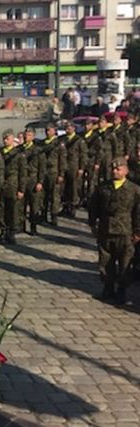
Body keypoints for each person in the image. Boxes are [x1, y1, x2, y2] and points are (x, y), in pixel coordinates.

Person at [89, 157, 140, 306]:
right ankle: (108, 288)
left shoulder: (134, 189)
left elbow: (138, 212)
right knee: (106, 261)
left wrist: (138, 231)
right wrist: (92, 223)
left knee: (124, 262)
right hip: (105, 229)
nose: (115, 171)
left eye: (118, 169)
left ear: (126, 170)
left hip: (125, 231)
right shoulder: (103, 187)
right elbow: (94, 207)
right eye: (113, 168)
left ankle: (122, 291)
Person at [0, 129, 26, 244]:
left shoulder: (18, 154)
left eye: (7, 139)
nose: (5, 141)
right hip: (1, 185)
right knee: (1, 210)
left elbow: (23, 173)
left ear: (12, 139)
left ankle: (12, 232)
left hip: (13, 185)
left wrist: (21, 189)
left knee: (13, 210)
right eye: (4, 138)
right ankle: (3, 230)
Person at [39, 122, 67, 226]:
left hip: (54, 171)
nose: (48, 132)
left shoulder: (59, 143)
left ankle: (54, 216)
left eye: (50, 130)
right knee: (43, 195)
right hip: (44, 171)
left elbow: (62, 160)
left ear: (54, 131)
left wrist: (61, 174)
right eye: (46, 130)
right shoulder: (42, 143)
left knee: (54, 195)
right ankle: (43, 214)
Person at [21, 127, 46, 235]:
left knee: (33, 205)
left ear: (33, 137)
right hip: (22, 180)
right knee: (21, 205)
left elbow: (42, 168)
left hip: (33, 180)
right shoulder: (19, 149)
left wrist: (40, 182)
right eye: (26, 135)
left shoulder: (38, 151)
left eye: (30, 135)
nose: (27, 137)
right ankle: (21, 226)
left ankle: (33, 227)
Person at [61, 122, 87, 218]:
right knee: (64, 188)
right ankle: (65, 206)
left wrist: (81, 168)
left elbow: (83, 155)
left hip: (74, 166)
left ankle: (72, 208)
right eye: (66, 128)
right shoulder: (63, 139)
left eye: (69, 127)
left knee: (74, 188)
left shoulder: (79, 140)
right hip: (64, 166)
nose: (67, 129)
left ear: (73, 129)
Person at [82, 118, 103, 203]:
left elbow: (100, 151)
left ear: (92, 126)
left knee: (92, 182)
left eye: (88, 125)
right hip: (83, 161)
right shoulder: (81, 136)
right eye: (85, 125)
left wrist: (97, 163)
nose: (86, 127)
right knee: (81, 182)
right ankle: (82, 199)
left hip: (92, 160)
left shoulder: (96, 137)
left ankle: (91, 200)